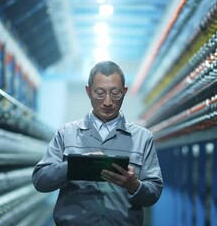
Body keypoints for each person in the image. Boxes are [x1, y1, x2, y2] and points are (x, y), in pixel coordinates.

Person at [32, 60, 163, 226]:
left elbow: (154, 192)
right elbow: (40, 181)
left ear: (124, 92)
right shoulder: (67, 133)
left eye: (115, 93)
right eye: (100, 93)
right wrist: (74, 166)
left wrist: (134, 185)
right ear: (88, 91)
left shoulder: (142, 138)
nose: (107, 102)